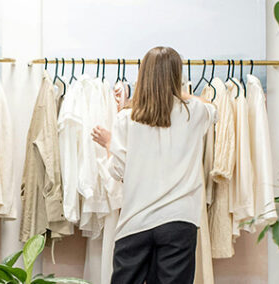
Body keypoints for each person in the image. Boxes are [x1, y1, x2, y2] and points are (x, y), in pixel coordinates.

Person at [91, 46, 216, 284]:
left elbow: (117, 171)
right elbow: (212, 107)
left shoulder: (126, 118)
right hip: (179, 221)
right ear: (177, 76)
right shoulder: (194, 112)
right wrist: (179, 93)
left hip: (135, 222)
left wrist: (109, 143)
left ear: (143, 74)